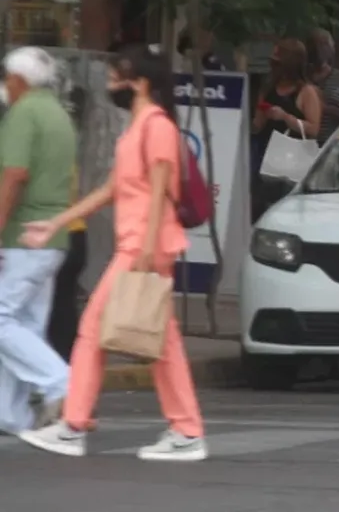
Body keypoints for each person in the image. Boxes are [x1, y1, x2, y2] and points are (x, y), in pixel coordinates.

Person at [18, 43, 207, 461]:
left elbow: (159, 193)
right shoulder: (138, 125)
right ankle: (186, 431)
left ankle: (73, 425)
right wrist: (56, 223)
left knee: (92, 330)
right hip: (142, 245)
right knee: (162, 343)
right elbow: (112, 189)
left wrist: (145, 252)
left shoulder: (156, 126)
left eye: (115, 75)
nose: (109, 82)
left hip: (144, 247)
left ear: (140, 83)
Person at [0, 47, 74, 435]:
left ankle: (62, 384)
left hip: (23, 235)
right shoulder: (58, 113)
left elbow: (14, 175)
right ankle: (11, 415)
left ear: (18, 79)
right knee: (25, 326)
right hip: (51, 238)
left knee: (2, 319)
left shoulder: (24, 112)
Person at [251, 38, 322, 221]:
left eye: (277, 61)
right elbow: (257, 125)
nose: (272, 66)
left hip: (292, 161)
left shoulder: (307, 91)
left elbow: (313, 129)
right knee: (261, 207)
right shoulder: (268, 87)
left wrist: (285, 117)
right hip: (266, 158)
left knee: (287, 209)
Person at [48, 84, 89, 362]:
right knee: (62, 308)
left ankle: (59, 373)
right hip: (74, 233)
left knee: (54, 311)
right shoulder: (64, 147)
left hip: (57, 237)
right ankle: (67, 371)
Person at [308, 29, 339, 146]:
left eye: (325, 45)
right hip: (305, 142)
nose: (321, 50)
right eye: (318, 46)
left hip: (331, 143)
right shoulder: (304, 76)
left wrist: (325, 108)